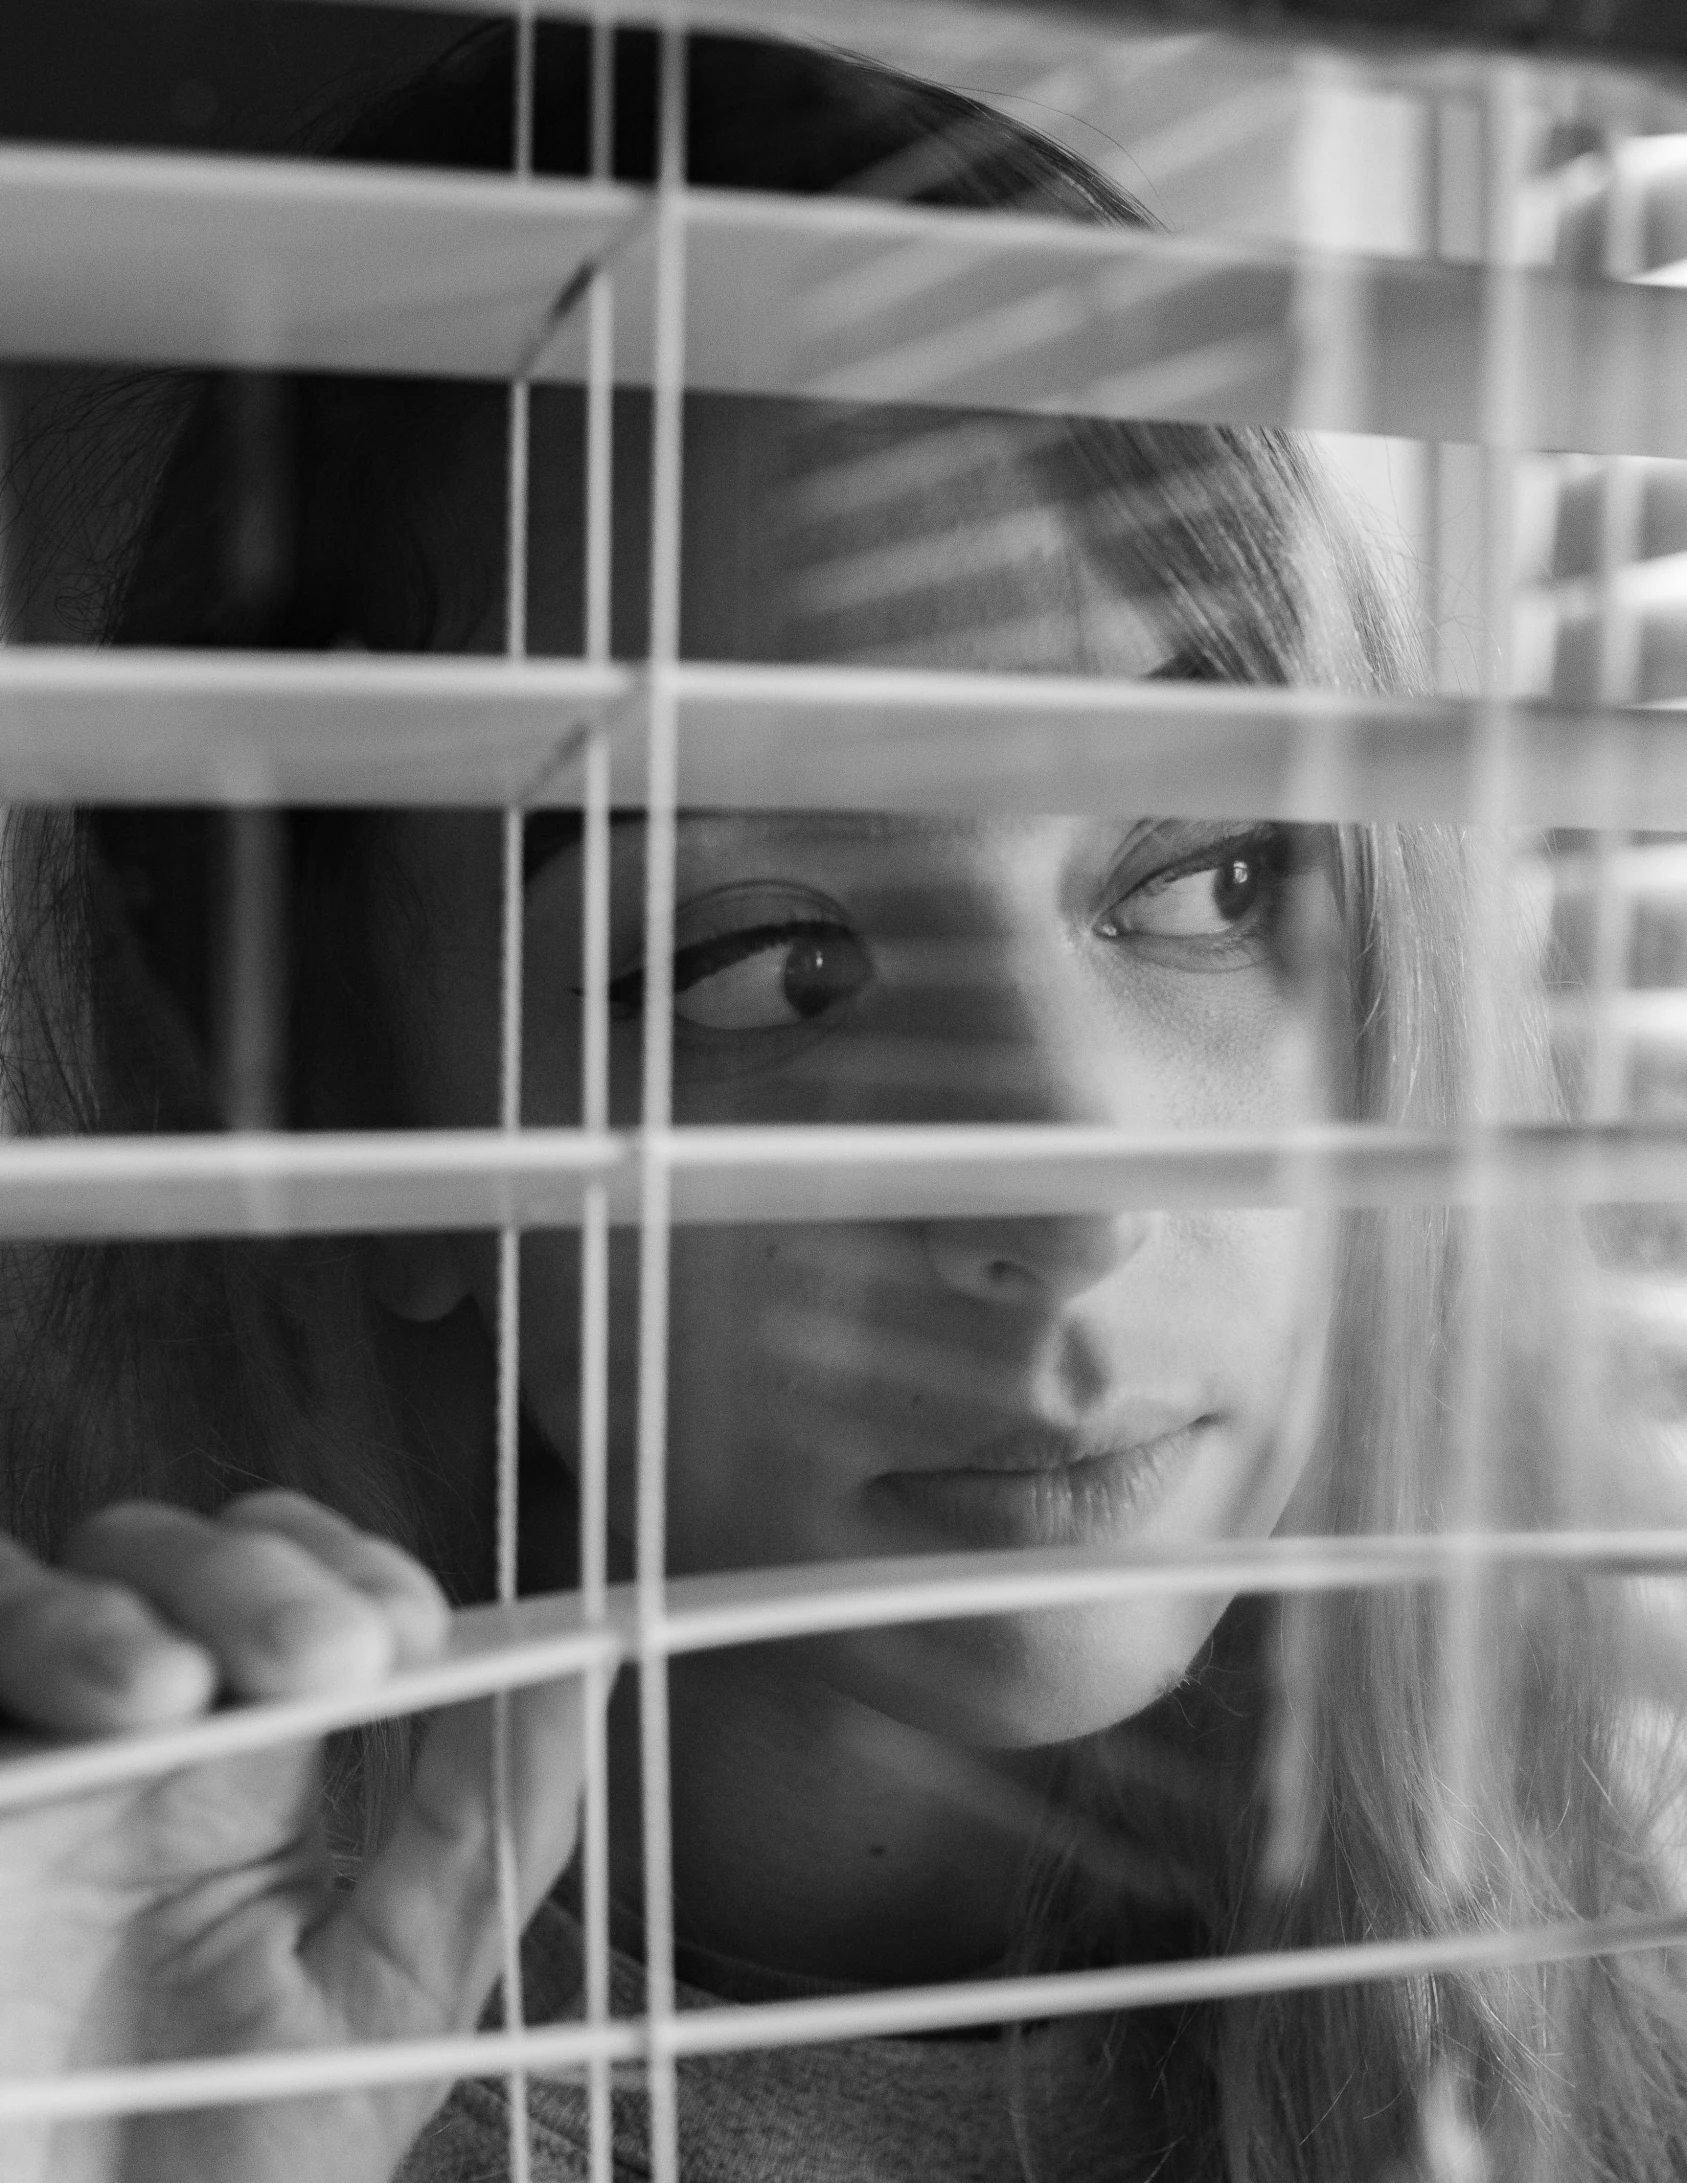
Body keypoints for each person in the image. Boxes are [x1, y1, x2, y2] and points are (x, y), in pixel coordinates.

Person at [0, 22, 1682, 2183]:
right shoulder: (154, 2048)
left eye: (1206, 875)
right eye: (758, 965)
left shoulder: (1597, 1944)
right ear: (331, 1109)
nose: (1077, 1192)